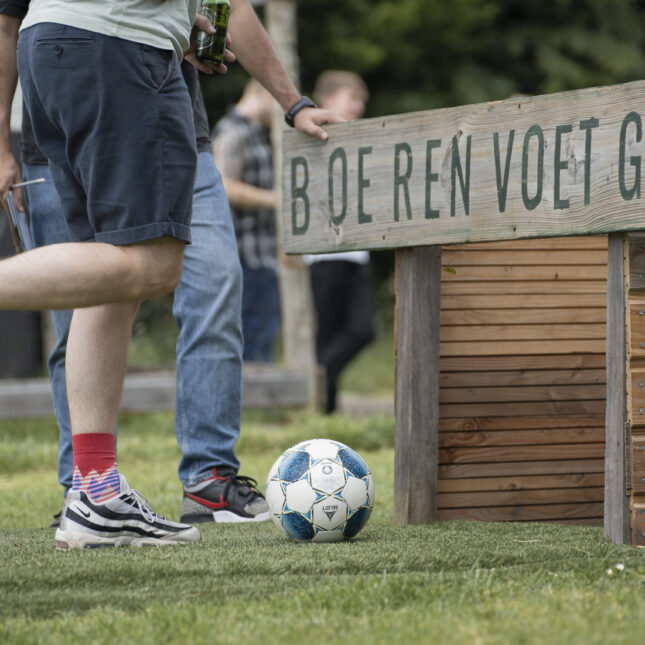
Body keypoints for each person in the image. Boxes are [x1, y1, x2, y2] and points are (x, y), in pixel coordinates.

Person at [0, 0, 342, 549]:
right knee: (151, 264)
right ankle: (96, 490)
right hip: (117, 49)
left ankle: (96, 494)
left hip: (58, 47)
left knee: (105, 275)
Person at [304, 71, 375, 414]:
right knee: (328, 333)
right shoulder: (312, 138)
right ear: (328, 100)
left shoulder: (362, 141)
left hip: (357, 253)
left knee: (362, 330)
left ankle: (315, 382)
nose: (359, 107)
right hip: (323, 254)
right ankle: (324, 407)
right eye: (352, 98)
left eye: (361, 100)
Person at [212, 79, 280, 362]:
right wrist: (277, 200)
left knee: (261, 342)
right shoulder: (233, 131)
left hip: (263, 256)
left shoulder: (256, 133)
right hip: (243, 257)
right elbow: (223, 186)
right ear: (263, 92)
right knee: (250, 347)